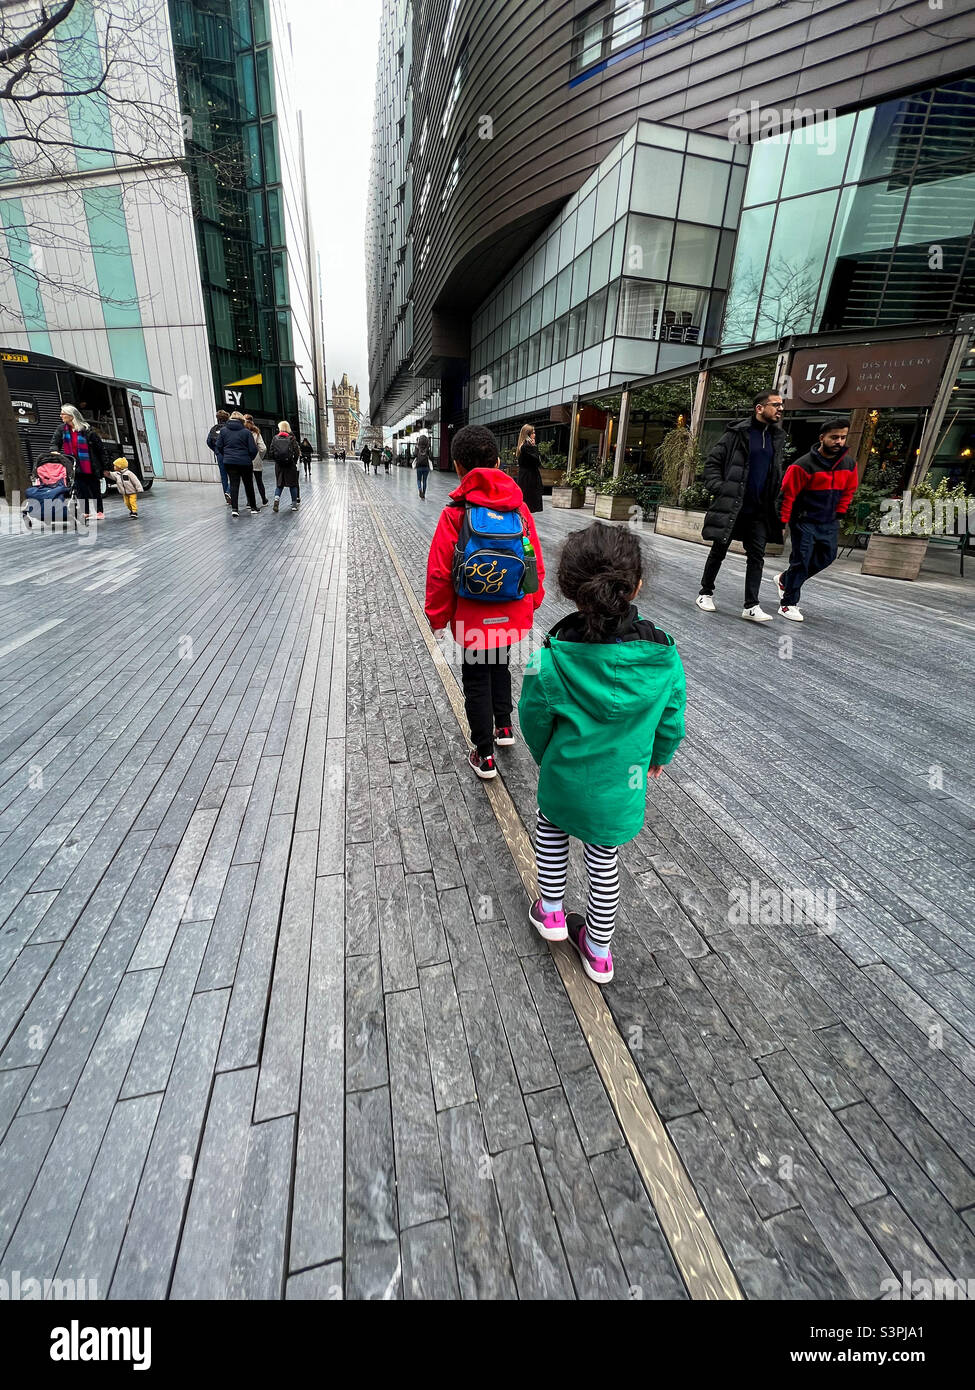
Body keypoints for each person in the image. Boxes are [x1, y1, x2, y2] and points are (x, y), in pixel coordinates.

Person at [518, 522, 686, 984]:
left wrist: (546, 756)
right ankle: (598, 949)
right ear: (637, 585)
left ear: (570, 590)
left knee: (550, 833)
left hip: (564, 779)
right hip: (621, 786)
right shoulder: (663, 656)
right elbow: (672, 720)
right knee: (603, 861)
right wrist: (658, 757)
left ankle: (551, 913)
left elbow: (532, 717)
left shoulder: (551, 655)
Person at [426, 424, 545, 781]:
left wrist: (437, 616)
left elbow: (439, 573)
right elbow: (534, 560)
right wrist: (532, 602)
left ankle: (484, 755)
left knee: (476, 678)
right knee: (501, 665)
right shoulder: (520, 510)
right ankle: (504, 728)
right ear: (497, 461)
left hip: (473, 617)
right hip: (510, 612)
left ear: (459, 468)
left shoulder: (456, 512)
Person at [695, 390, 786, 622]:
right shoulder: (737, 433)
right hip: (734, 504)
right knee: (719, 550)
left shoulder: (776, 437)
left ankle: (751, 605)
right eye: (775, 404)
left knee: (757, 556)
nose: (780, 409)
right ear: (759, 408)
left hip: (759, 509)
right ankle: (705, 593)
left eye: (781, 405)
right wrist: (721, 487)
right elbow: (712, 462)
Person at [775, 419, 857, 622]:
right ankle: (788, 604)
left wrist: (840, 512)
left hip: (829, 521)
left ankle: (785, 579)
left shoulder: (849, 464)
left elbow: (849, 489)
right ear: (822, 438)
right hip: (804, 520)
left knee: (826, 557)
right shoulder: (802, 466)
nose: (839, 441)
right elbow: (787, 495)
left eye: (843, 437)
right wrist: (782, 523)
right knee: (801, 561)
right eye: (834, 437)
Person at [51, 405, 106, 522]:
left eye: (63, 414)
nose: (61, 416)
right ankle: (86, 511)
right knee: (80, 489)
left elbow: (100, 449)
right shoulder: (61, 430)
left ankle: (99, 511)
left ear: (71, 416)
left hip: (89, 463)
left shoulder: (87, 430)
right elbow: (55, 441)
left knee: (94, 488)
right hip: (73, 464)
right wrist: (55, 450)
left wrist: (105, 466)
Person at [216, 410, 260, 516]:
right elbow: (253, 449)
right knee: (248, 484)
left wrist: (226, 455)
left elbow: (219, 446)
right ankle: (253, 507)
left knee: (234, 485)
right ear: (242, 420)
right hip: (245, 462)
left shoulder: (223, 431)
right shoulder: (246, 432)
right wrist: (249, 458)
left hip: (229, 462)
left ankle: (234, 509)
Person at [23, 453, 71, 530]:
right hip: (57, 487)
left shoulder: (41, 469)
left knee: (34, 493)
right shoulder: (62, 469)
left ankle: (40, 512)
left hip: (48, 487)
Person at [270, 420, 301, 511]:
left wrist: (277, 460)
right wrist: (293, 462)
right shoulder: (292, 438)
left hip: (279, 465)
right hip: (290, 465)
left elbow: (271, 452)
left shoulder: (275, 438)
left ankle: (276, 499)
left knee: (279, 484)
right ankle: (294, 505)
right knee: (293, 484)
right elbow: (296, 452)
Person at [515, 423, 544, 514]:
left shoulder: (523, 446)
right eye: (533, 433)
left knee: (526, 502)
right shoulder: (527, 447)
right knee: (529, 503)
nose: (535, 435)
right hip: (529, 478)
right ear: (528, 434)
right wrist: (534, 447)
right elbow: (537, 461)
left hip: (526, 476)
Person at [207, 409, 232, 504]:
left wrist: (216, 451)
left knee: (223, 476)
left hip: (220, 455)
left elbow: (208, 442)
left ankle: (226, 495)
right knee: (233, 474)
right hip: (229, 453)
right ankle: (229, 492)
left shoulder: (214, 429)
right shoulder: (229, 428)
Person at [244, 415, 268, 505]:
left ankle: (249, 502)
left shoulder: (242, 432)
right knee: (259, 481)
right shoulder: (256, 433)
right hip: (256, 460)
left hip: (245, 460)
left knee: (248, 482)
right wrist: (259, 457)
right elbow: (263, 448)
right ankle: (263, 500)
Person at [414, 432, 432, 500]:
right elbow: (430, 456)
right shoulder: (427, 448)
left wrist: (416, 447)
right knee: (424, 480)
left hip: (419, 466)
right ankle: (423, 494)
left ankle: (420, 489)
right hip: (426, 466)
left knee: (418, 479)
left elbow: (415, 455)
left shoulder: (417, 447)